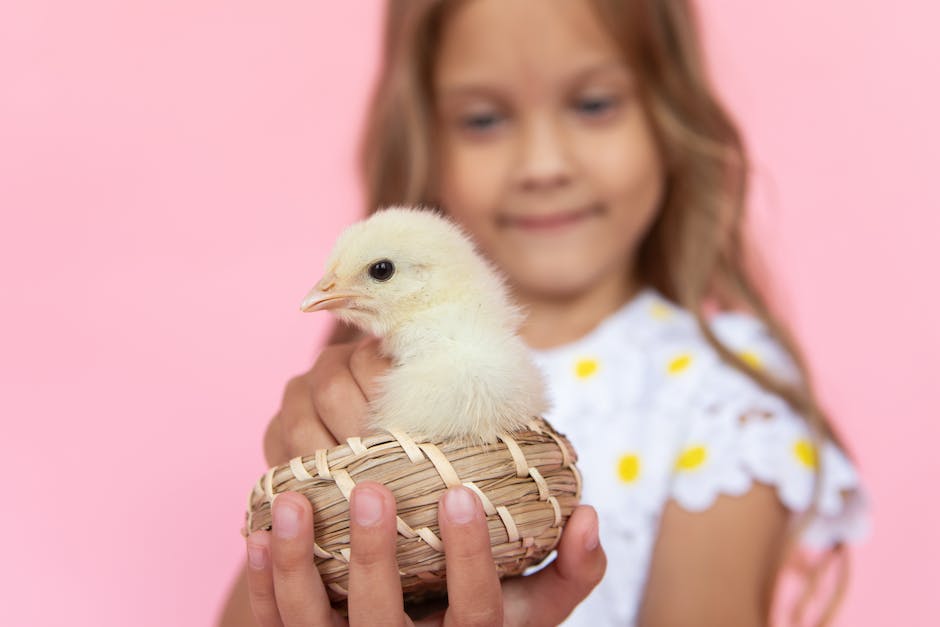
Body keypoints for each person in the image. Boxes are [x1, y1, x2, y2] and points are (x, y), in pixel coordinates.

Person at [218, 0, 869, 624]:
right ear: (424, 137)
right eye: (483, 119)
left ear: (669, 112)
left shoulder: (721, 397)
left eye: (593, 103)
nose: (542, 164)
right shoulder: (356, 381)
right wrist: (299, 513)